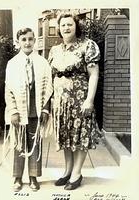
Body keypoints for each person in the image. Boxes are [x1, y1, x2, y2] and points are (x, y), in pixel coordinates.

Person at [48, 11, 101, 190]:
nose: (66, 27)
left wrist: (90, 100)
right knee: (66, 136)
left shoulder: (88, 46)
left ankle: (77, 173)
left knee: (80, 135)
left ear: (76, 26)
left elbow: (94, 75)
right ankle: (67, 171)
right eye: (63, 25)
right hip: (61, 103)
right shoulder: (55, 50)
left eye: (70, 24)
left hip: (80, 99)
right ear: (59, 29)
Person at [5, 28, 53, 192]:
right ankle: (18, 177)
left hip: (36, 111)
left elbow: (48, 88)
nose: (27, 42)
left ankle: (33, 177)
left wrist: (45, 110)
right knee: (19, 144)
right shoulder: (12, 64)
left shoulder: (42, 62)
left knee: (35, 144)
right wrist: (13, 110)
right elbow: (8, 90)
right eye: (23, 39)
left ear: (34, 41)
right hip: (19, 112)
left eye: (30, 39)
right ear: (18, 42)